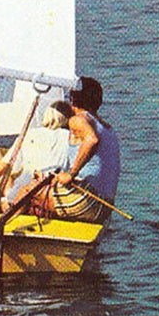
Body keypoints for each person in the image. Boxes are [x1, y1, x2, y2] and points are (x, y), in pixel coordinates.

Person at [44, 77, 121, 223]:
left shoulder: (78, 120)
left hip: (85, 203)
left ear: (72, 98)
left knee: (27, 192)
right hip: (104, 208)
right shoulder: (107, 127)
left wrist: (71, 174)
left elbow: (91, 140)